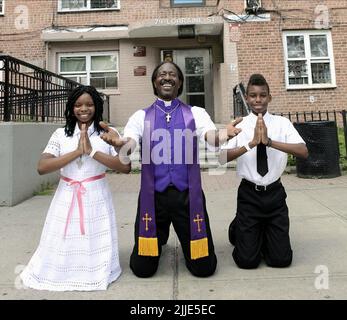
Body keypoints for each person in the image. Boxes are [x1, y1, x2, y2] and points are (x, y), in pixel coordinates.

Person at [100, 61, 241, 278]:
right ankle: (158, 240)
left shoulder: (196, 113)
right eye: (162, 74)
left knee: (204, 269)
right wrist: (120, 144)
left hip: (188, 197)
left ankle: (186, 244)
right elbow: (129, 142)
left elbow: (211, 137)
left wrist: (223, 135)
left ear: (180, 82)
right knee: (142, 270)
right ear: (154, 83)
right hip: (153, 198)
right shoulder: (141, 116)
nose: (167, 77)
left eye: (173, 74)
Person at [20, 85, 130, 291]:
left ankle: (94, 271)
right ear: (71, 108)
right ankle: (66, 270)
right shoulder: (60, 134)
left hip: (97, 193)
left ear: (97, 106)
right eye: (78, 105)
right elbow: (42, 167)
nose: (84, 109)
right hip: (67, 194)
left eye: (89, 104)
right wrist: (78, 151)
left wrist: (92, 151)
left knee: (93, 235)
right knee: (65, 236)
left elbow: (125, 167)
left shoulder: (108, 132)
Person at [219, 74, 308, 269]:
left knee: (281, 260)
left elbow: (303, 151)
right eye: (253, 95)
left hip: (275, 195)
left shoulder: (282, 123)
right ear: (248, 98)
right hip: (249, 195)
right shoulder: (240, 125)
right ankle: (238, 228)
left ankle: (264, 233)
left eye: (262, 95)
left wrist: (269, 142)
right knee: (247, 262)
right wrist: (250, 144)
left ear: (269, 97)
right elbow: (220, 158)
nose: (257, 99)